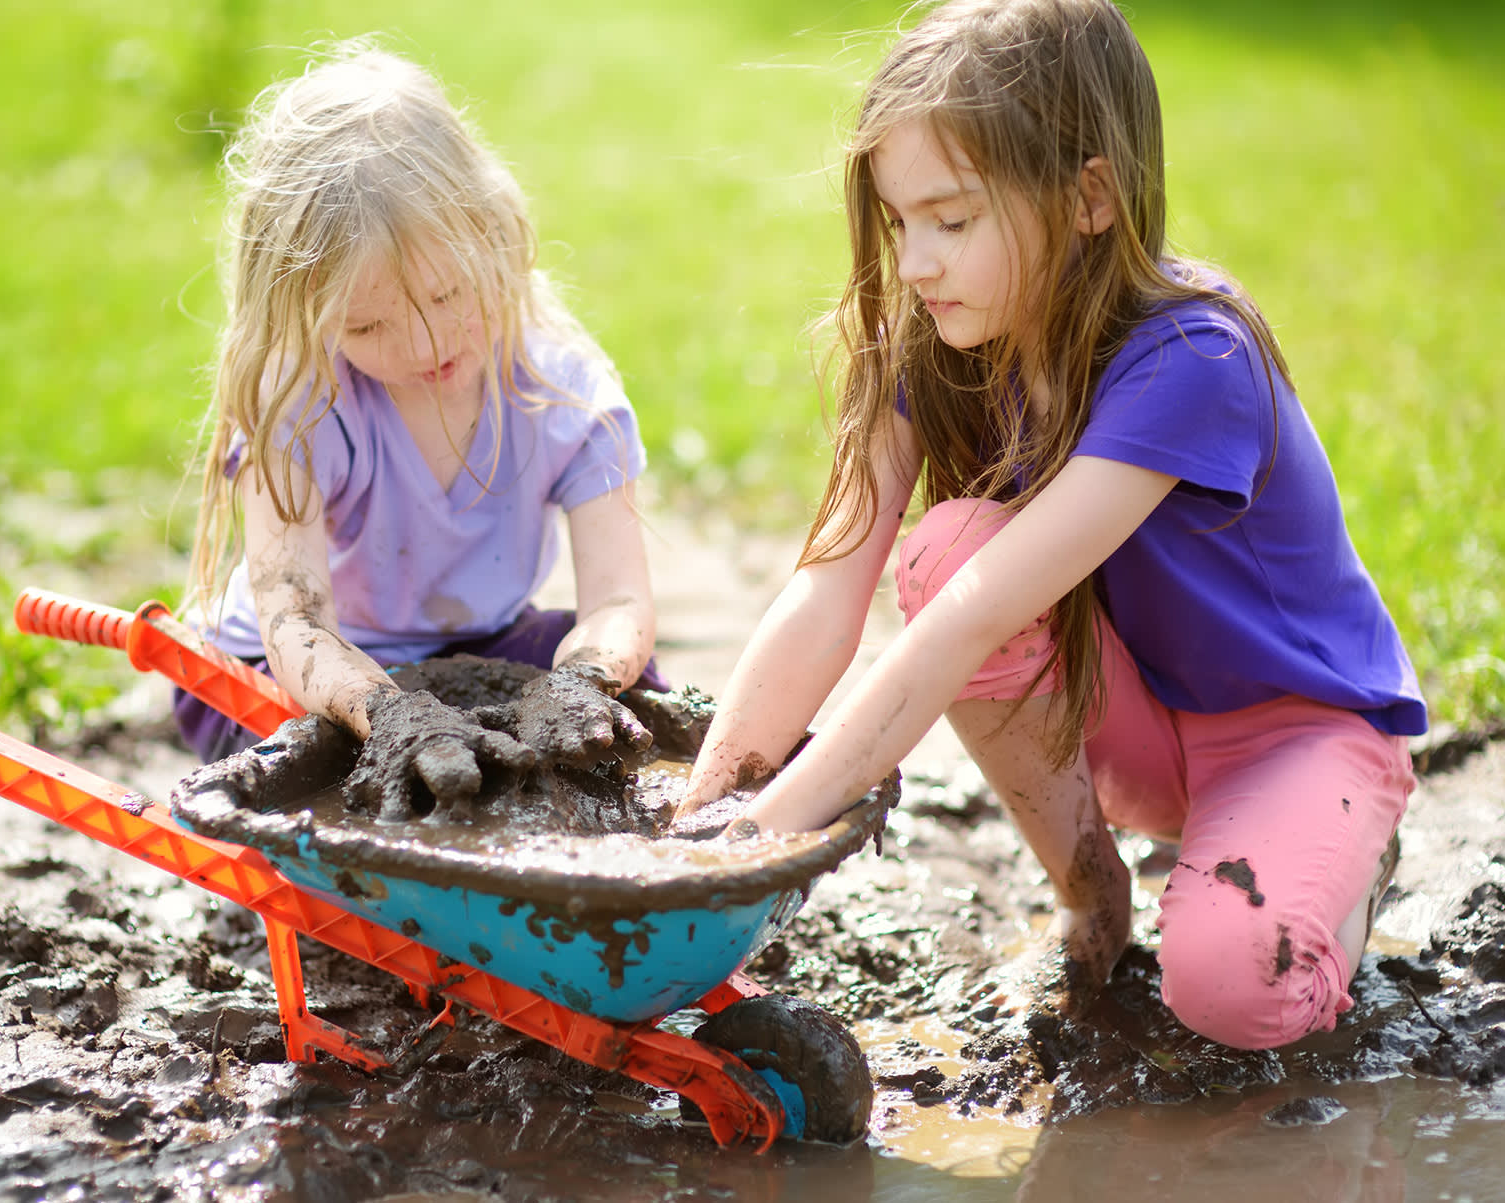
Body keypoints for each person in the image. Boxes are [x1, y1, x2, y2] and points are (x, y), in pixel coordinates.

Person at [680, 0, 1425, 1051]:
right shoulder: (938, 348)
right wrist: (699, 819)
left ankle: (1340, 871)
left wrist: (758, 841)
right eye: (900, 225)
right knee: (945, 549)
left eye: (952, 220)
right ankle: (1093, 894)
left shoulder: (1191, 359)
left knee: (1229, 992)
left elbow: (966, 630)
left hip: (1294, 733)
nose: (918, 263)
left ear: (1087, 197)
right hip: (1134, 725)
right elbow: (825, 586)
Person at [178, 44, 661, 816]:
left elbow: (620, 603)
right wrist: (394, 716)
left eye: (447, 295)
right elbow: (294, 623)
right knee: (327, 767)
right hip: (303, 670)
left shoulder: (564, 393)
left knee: (622, 718)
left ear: (495, 231)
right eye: (368, 325)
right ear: (307, 315)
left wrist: (578, 685)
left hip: (481, 644)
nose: (426, 345)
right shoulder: (304, 398)